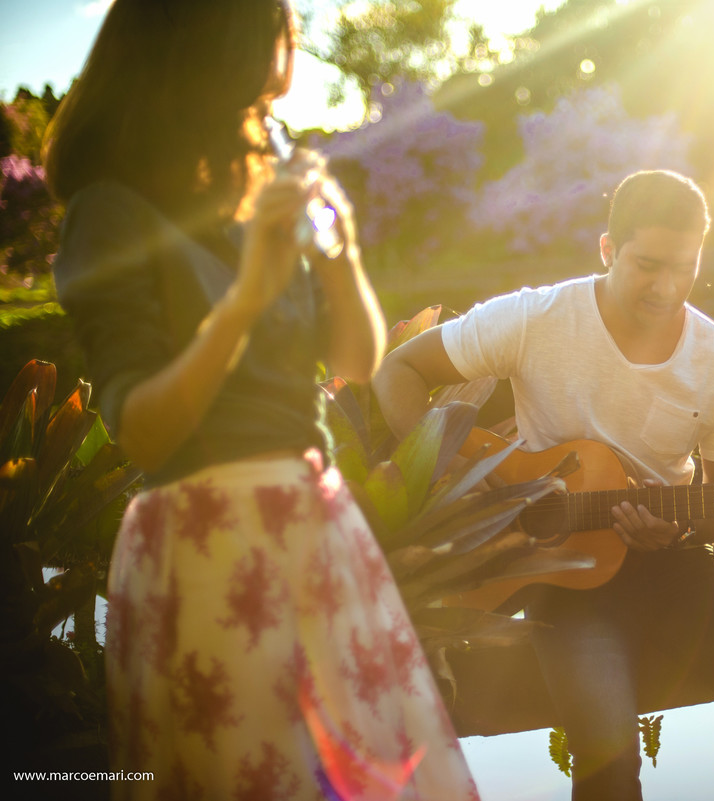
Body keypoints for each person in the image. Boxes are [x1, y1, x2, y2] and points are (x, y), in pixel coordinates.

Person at [44, 1, 478, 798]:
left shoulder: (251, 203)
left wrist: (340, 254)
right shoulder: (110, 214)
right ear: (211, 67)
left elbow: (355, 356)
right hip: (210, 539)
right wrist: (242, 304)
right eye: (263, 85)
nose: (273, 108)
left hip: (314, 520)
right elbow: (140, 428)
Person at [372, 170, 714, 801]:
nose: (666, 286)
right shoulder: (537, 319)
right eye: (647, 264)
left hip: (675, 562)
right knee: (606, 750)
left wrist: (683, 527)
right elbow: (398, 369)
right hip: (556, 569)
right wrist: (447, 471)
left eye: (684, 266)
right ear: (606, 249)